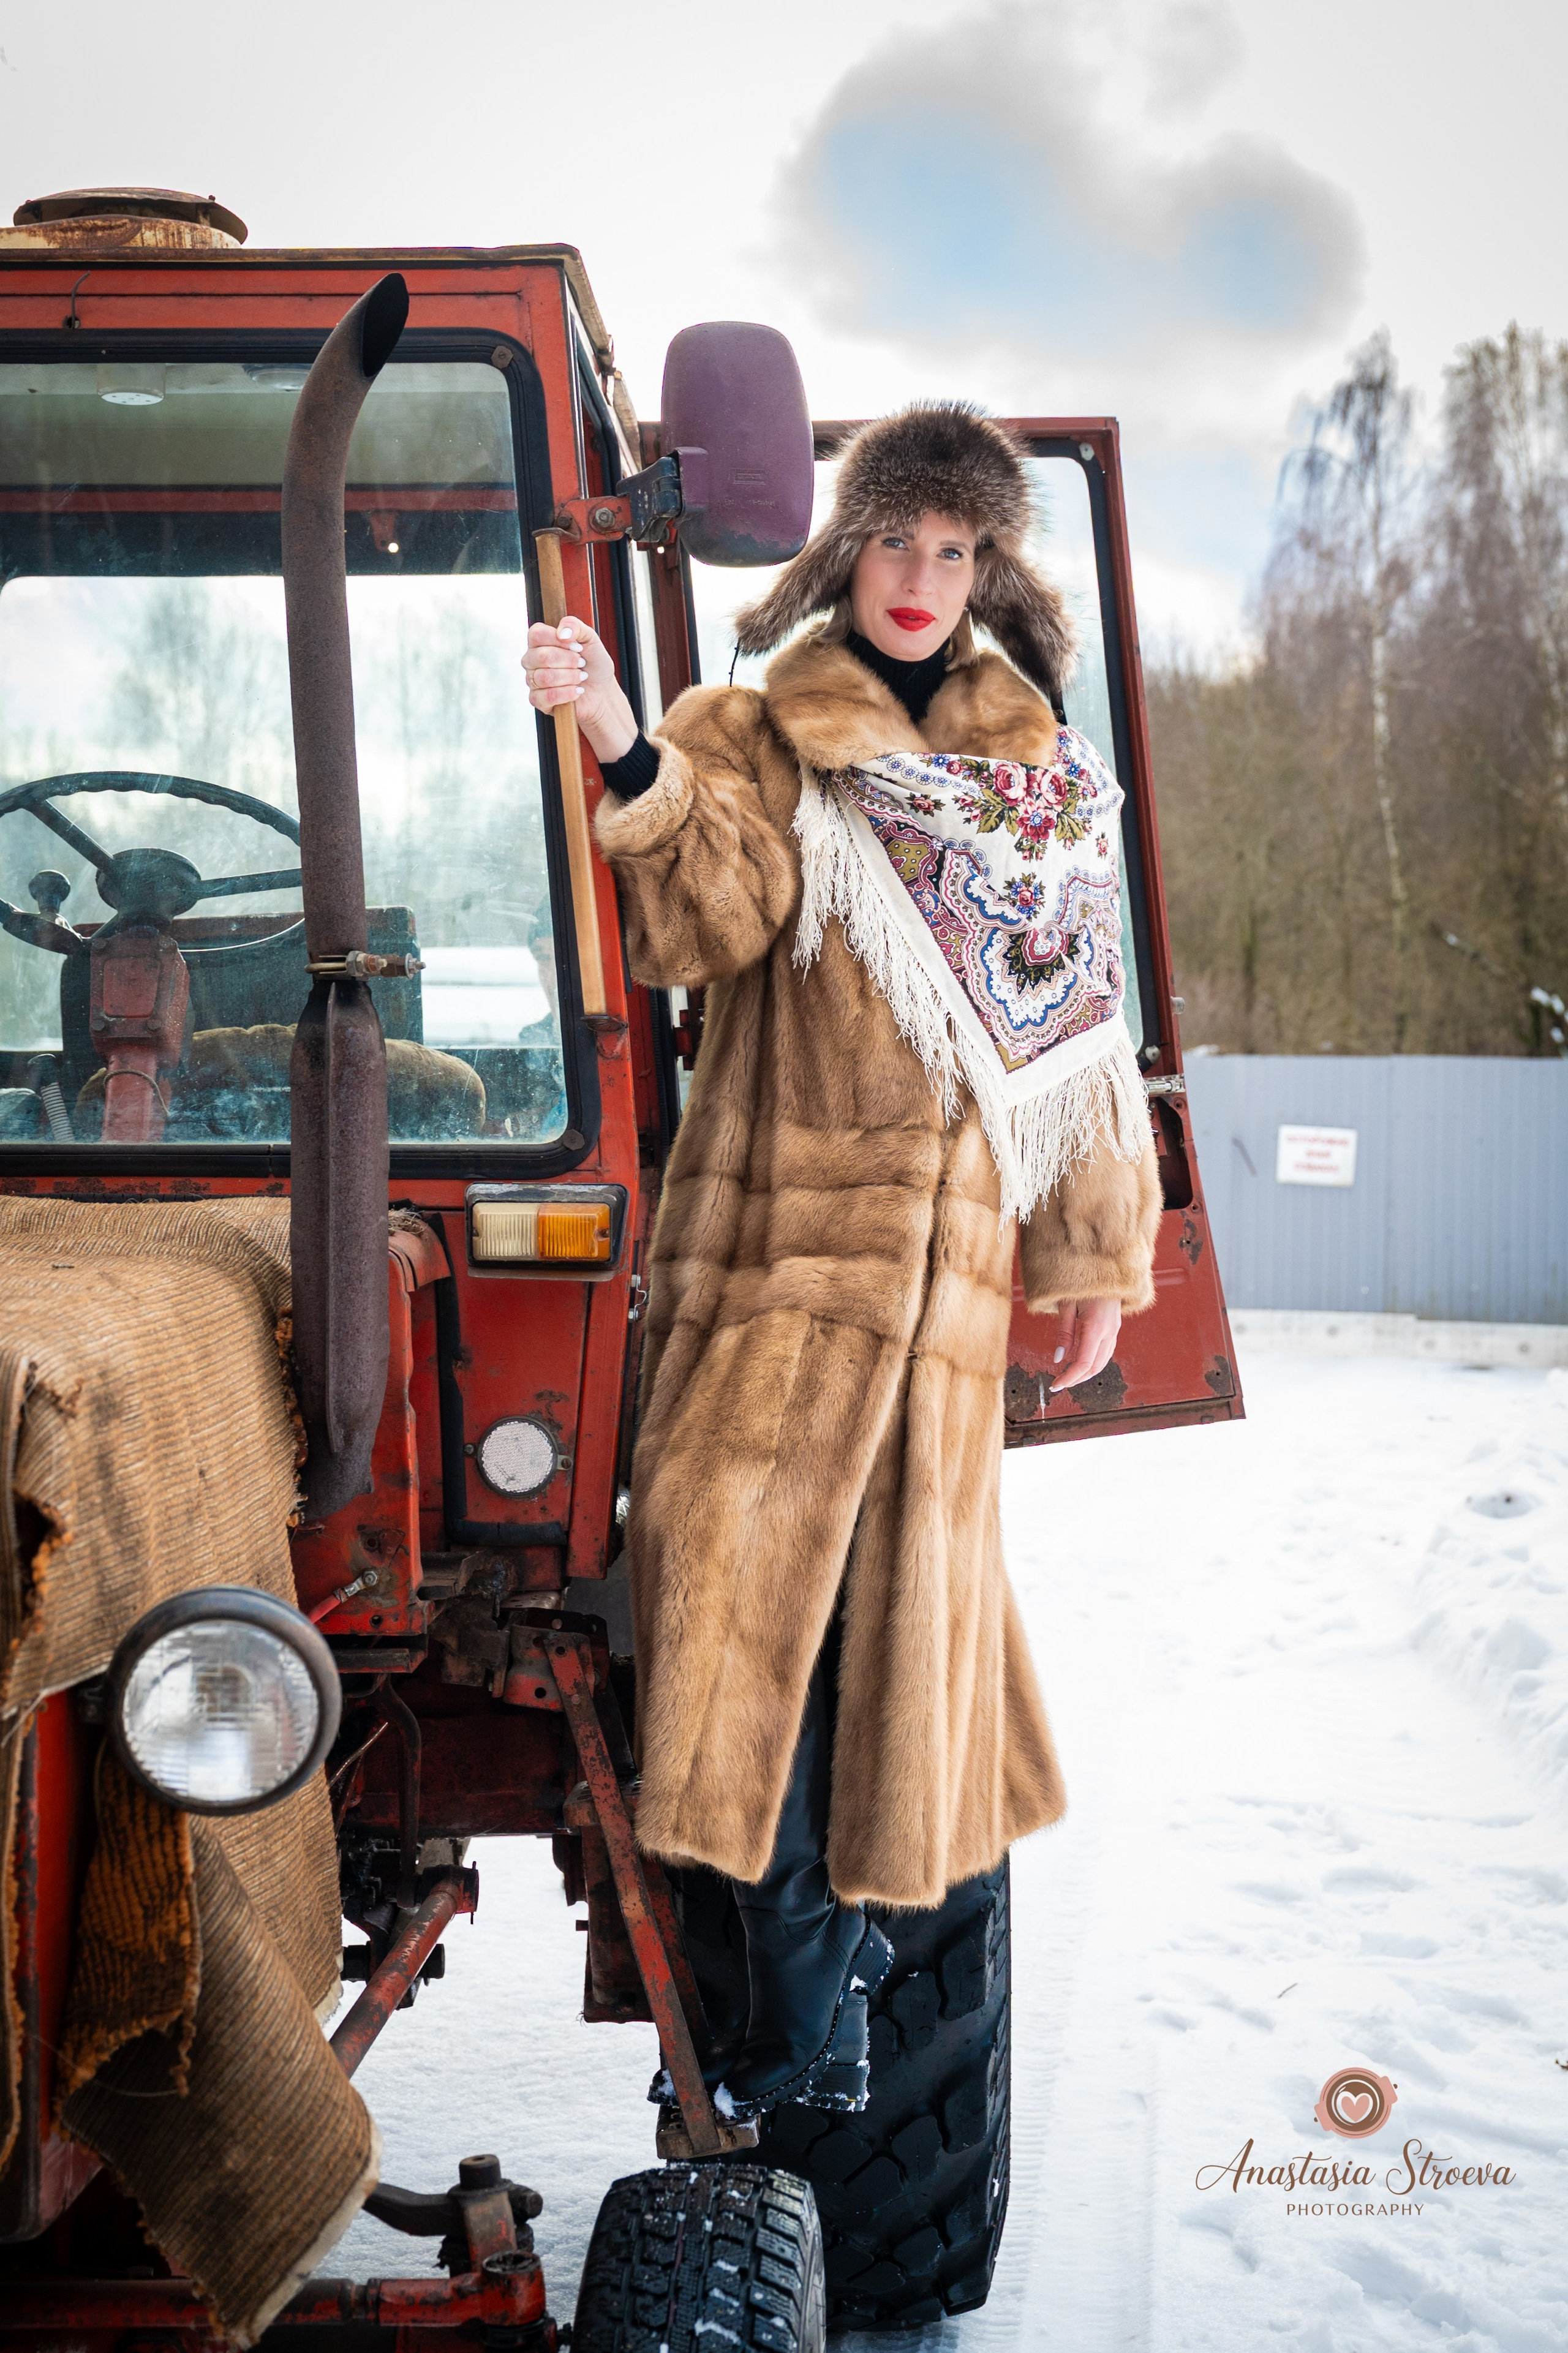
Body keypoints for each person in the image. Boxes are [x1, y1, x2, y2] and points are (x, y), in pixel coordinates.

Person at [522, 404, 1161, 2120]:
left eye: (957, 553)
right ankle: (798, 1988)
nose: (921, 581)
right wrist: (621, 745)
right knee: (730, 1649)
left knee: (885, 1683)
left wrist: (1097, 1248)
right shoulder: (757, 728)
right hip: (771, 1288)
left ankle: (815, 2007)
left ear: (988, 571)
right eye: (898, 544)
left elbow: (1075, 1038)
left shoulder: (1033, 771)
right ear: (847, 549)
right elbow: (705, 916)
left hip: (940, 1314)